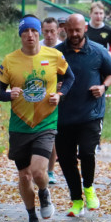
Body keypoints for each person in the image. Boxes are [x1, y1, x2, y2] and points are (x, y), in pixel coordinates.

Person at [0, 15, 75, 222]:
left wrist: (60, 95)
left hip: (45, 121)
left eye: (34, 31)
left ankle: (44, 192)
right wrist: (7, 94)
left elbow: (70, 78)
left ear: (39, 33)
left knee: (38, 172)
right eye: (25, 32)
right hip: (20, 124)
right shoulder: (10, 60)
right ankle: (32, 217)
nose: (30, 36)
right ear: (21, 35)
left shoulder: (54, 56)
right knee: (24, 176)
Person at [55, 14, 111, 216]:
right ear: (64, 29)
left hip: (91, 113)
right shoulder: (56, 54)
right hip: (64, 115)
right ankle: (76, 200)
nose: (73, 34)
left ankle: (89, 188)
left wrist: (103, 86)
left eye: (77, 30)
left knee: (87, 152)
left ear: (85, 29)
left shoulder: (98, 52)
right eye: (70, 30)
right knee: (66, 159)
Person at [40, 17, 62, 184]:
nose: (49, 35)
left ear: (58, 31)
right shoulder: (36, 47)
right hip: (40, 97)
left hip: (61, 97)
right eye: (46, 31)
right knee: (45, 134)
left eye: (52, 31)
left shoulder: (63, 49)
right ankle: (45, 169)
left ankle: (51, 170)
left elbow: (71, 73)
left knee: (56, 135)